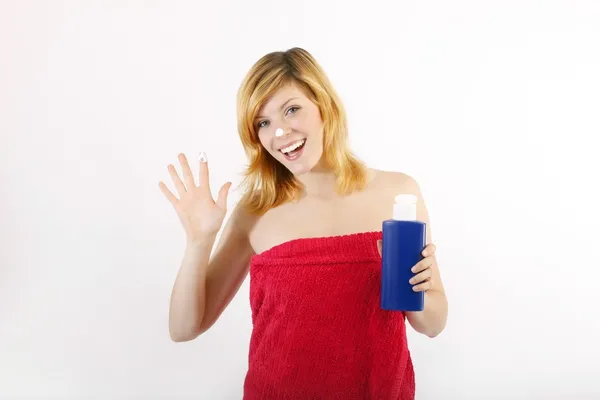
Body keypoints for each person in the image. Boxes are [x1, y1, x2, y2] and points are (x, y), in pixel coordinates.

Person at [159, 47, 448, 399]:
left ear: (323, 106)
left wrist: (417, 287)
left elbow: (433, 324)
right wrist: (199, 241)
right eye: (263, 123)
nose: (279, 133)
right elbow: (184, 327)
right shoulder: (256, 211)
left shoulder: (399, 193)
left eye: (291, 110)